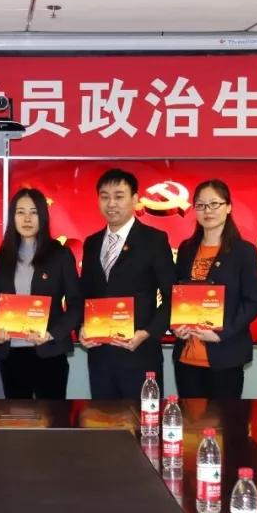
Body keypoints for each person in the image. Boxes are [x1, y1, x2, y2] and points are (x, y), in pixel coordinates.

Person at [79, 168, 176, 399]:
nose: (111, 203)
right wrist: (81, 327)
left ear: (134, 199)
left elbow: (173, 295)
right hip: (100, 358)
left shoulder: (154, 240)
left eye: (119, 196)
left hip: (140, 355)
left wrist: (148, 333)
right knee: (103, 419)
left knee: (143, 419)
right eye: (105, 197)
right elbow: (84, 294)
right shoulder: (91, 243)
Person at [0, 188, 82, 399]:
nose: (27, 219)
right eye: (20, 212)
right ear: (13, 217)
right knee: (17, 416)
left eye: (34, 212)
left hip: (49, 352)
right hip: (11, 354)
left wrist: (52, 333)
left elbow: (76, 304)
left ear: (43, 216)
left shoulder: (59, 255)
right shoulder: (3, 257)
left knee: (52, 416)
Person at [171, 180, 257, 399]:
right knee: (190, 419)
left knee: (224, 419)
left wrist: (221, 333)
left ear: (228, 207)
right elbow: (176, 294)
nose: (207, 211)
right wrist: (175, 326)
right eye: (201, 205)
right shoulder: (186, 249)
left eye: (214, 204)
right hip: (187, 355)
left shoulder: (244, 251)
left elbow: (253, 301)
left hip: (226, 354)